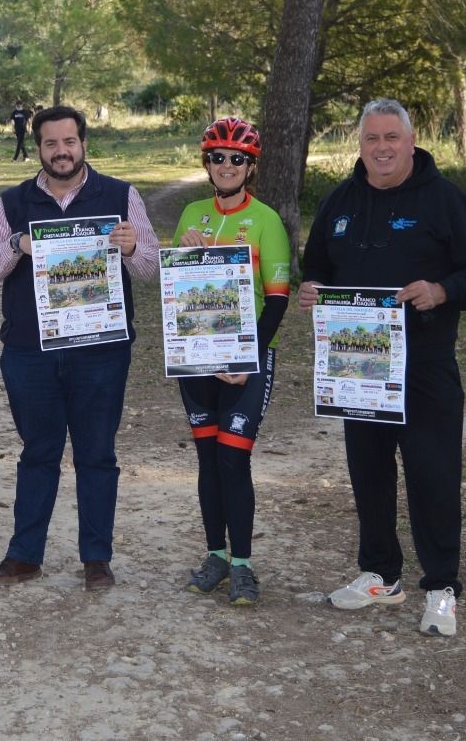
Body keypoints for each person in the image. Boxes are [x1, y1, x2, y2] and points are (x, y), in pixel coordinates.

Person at [298, 98, 466, 637]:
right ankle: (380, 574)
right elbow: (315, 263)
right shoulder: (338, 202)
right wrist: (312, 288)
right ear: (359, 145)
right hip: (357, 368)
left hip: (426, 367)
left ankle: (441, 586)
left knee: (433, 475)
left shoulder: (445, 201)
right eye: (371, 139)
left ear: (411, 142)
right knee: (369, 474)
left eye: (392, 138)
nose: (382, 148)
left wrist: (443, 290)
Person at [0, 105, 160, 590]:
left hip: (100, 352)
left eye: (69, 142)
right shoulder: (11, 204)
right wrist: (17, 243)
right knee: (38, 452)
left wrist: (133, 247)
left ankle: (96, 558)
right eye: (51, 143)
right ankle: (24, 555)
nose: (61, 152)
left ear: (84, 144)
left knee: (97, 453)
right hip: (30, 353)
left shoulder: (120, 196)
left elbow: (152, 270)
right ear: (38, 148)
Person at [171, 118, 291, 607]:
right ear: (207, 164)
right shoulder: (191, 214)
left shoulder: (266, 220)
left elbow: (278, 300)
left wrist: (250, 357)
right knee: (206, 461)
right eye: (217, 158)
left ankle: (242, 564)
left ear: (250, 167)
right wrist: (183, 251)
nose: (226, 166)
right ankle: (215, 555)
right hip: (196, 358)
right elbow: (175, 286)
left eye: (236, 159)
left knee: (233, 459)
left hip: (247, 360)